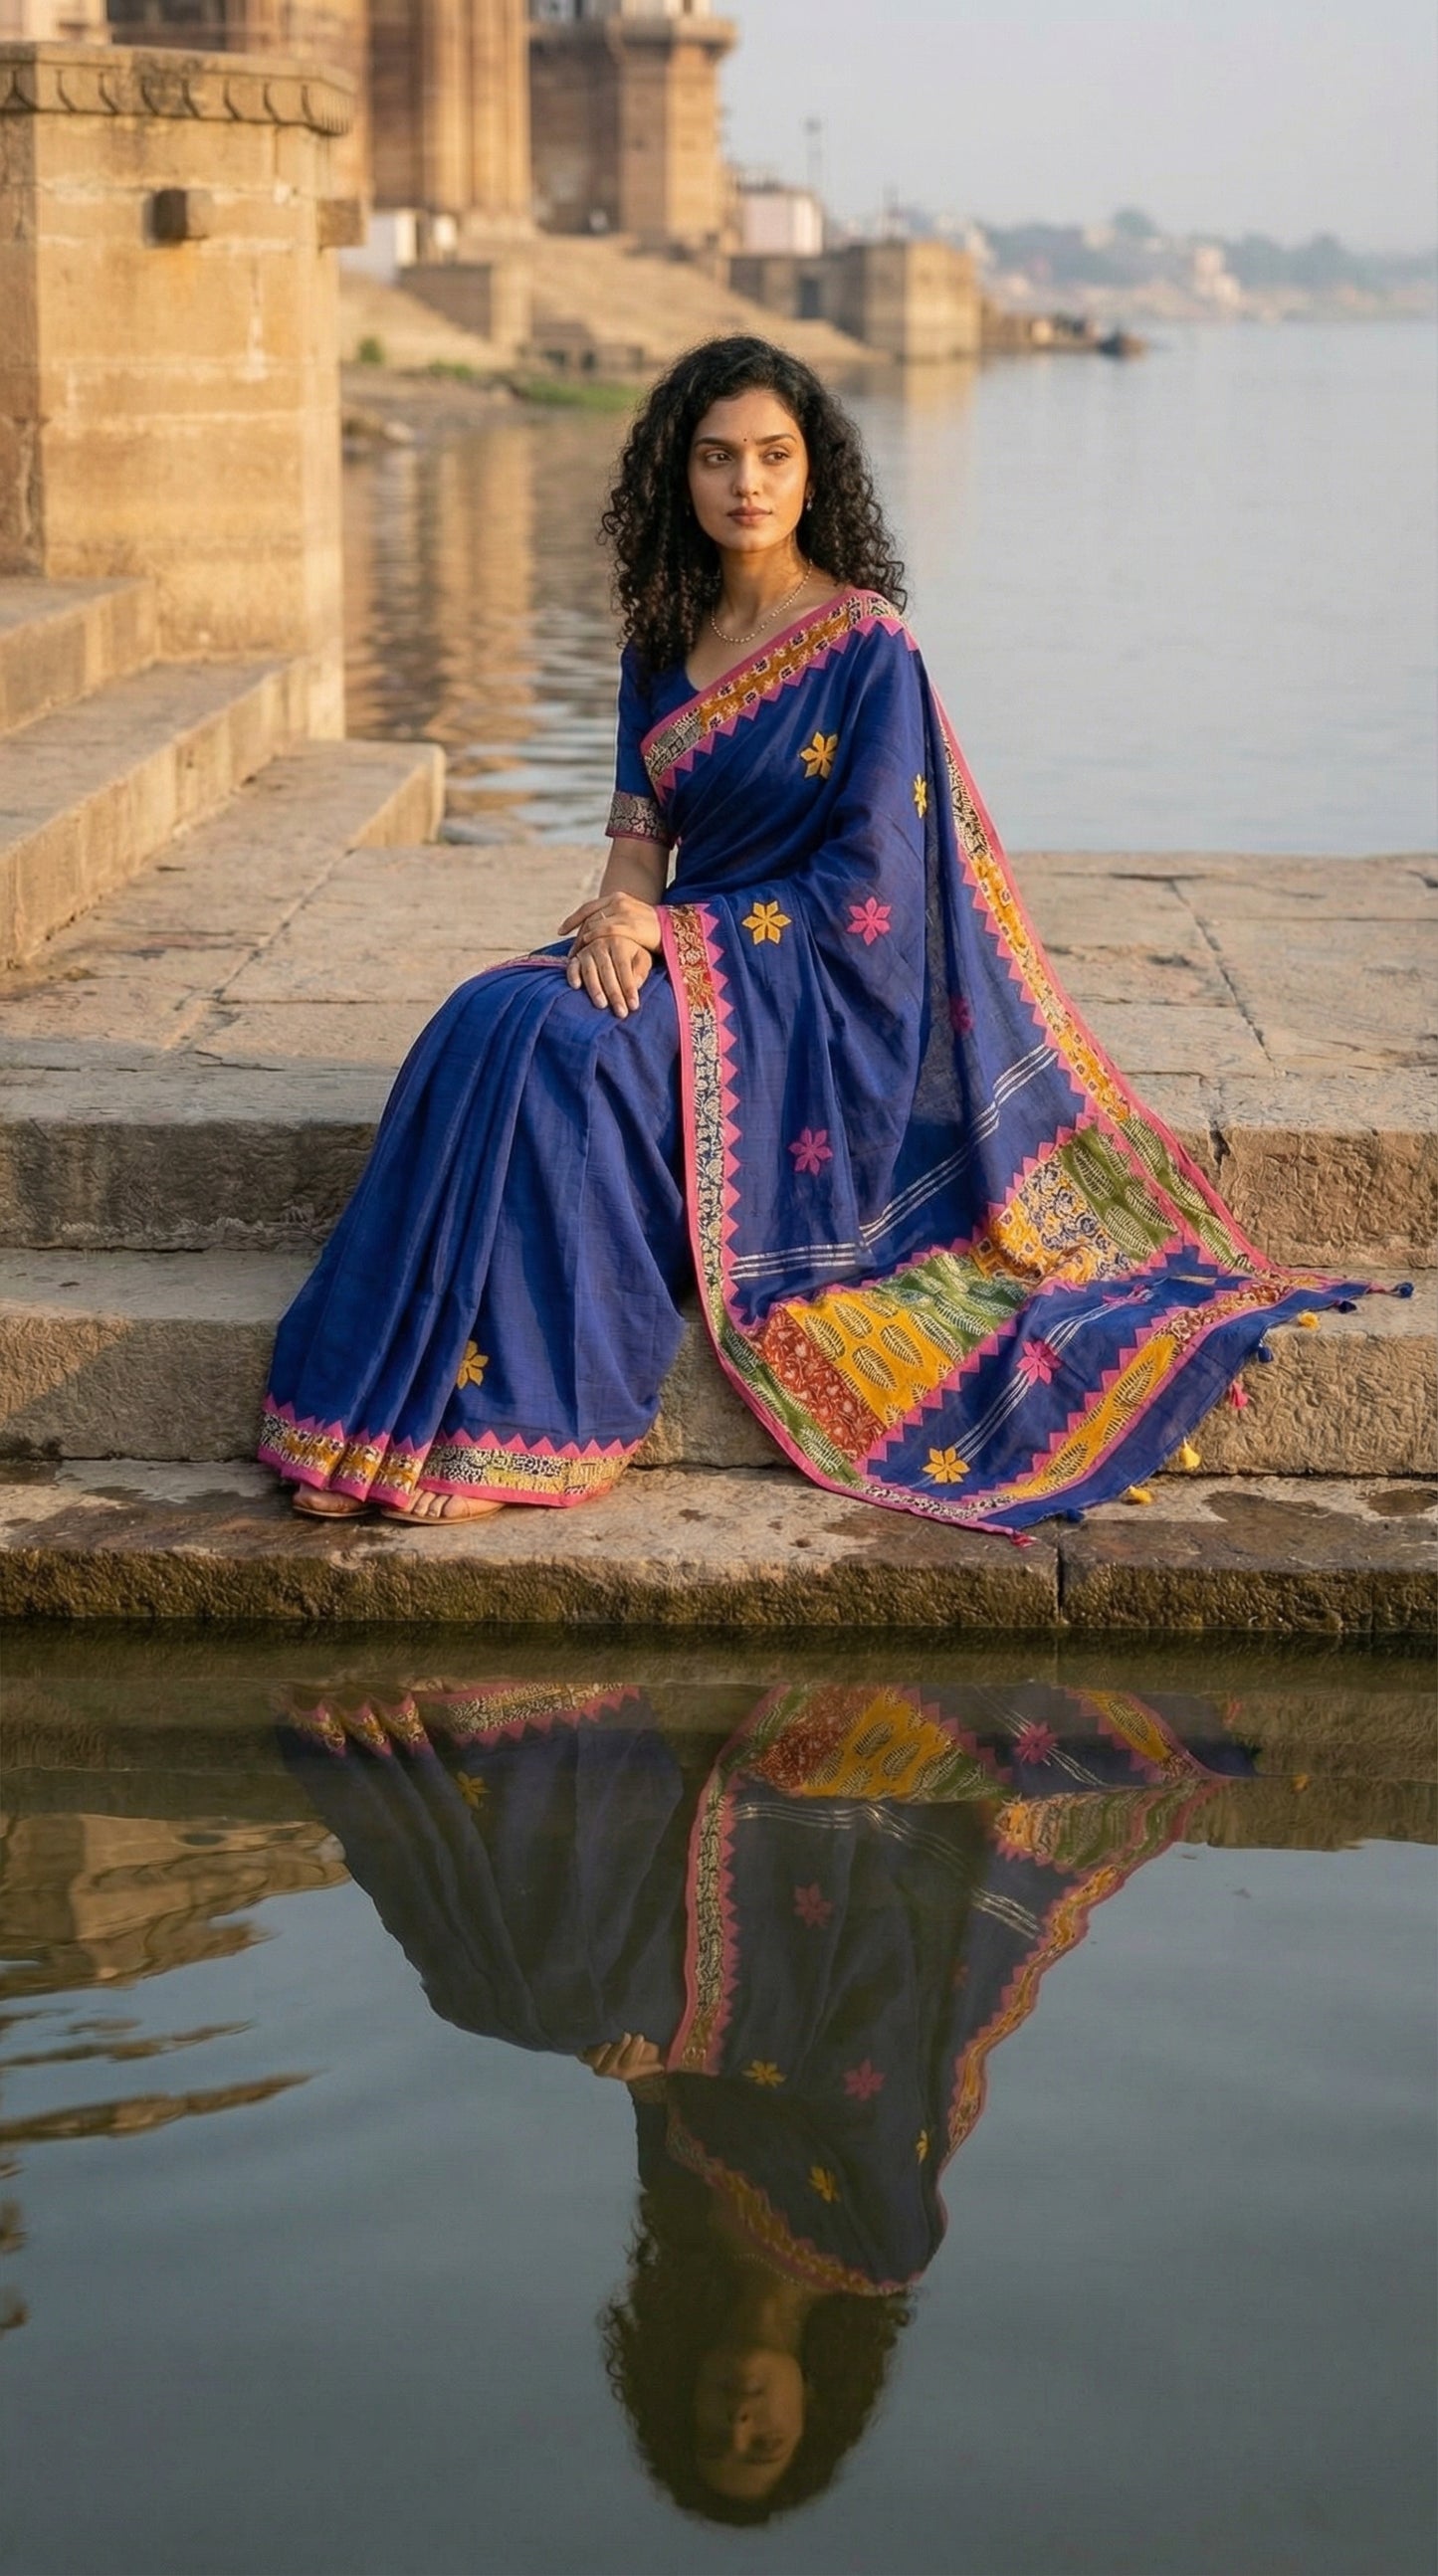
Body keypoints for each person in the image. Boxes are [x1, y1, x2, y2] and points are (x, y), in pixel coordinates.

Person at [259, 335, 1367, 1526]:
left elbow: (867, 900)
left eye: (773, 457)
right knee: (490, 1017)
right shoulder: (654, 646)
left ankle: (533, 1423)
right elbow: (639, 844)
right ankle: (385, 1406)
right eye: (718, 456)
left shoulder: (863, 649)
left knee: (581, 1059)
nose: (746, 482)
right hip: (694, 950)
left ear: (811, 475)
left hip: (814, 998)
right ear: (676, 478)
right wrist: (618, 922)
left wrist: (675, 941)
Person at [281, 1674, 1250, 2522]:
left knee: (510, 2002)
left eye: (712, 2430)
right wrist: (684, 2070)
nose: (738, 2417)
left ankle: (412, 1729)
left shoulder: (688, 2245)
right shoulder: (879, 2246)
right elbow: (868, 2076)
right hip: (830, 1961)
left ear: (684, 2390)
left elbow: (670, 2106)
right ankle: (506, 1727)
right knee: (551, 1990)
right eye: (760, 2441)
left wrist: (645, 2078)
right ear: (809, 2415)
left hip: (728, 2008)